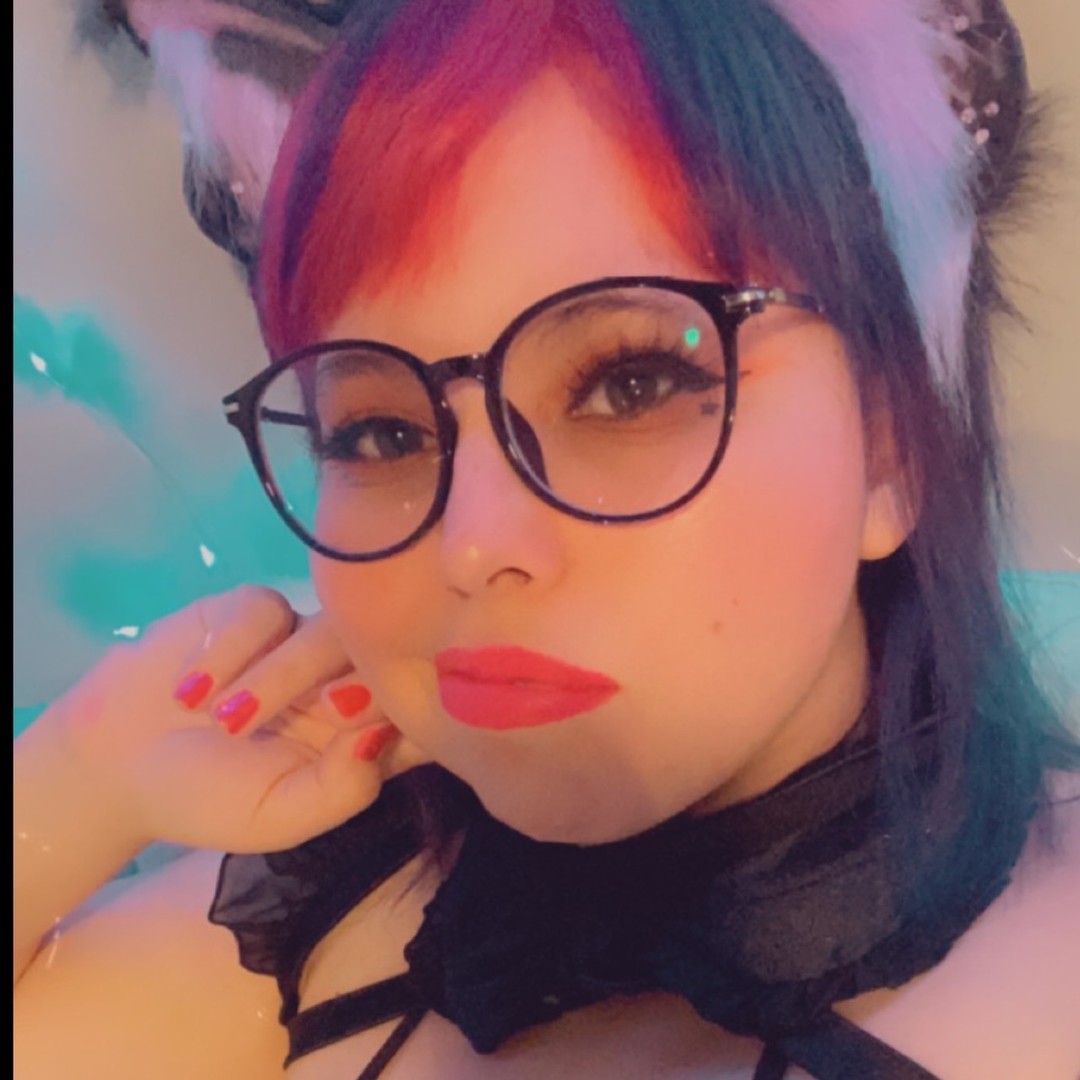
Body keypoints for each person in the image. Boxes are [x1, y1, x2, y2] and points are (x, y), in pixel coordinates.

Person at [14, 2, 1080, 1077]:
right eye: (380, 432)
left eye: (631, 384)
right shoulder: (341, 898)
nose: (472, 546)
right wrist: (81, 777)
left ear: (891, 445)